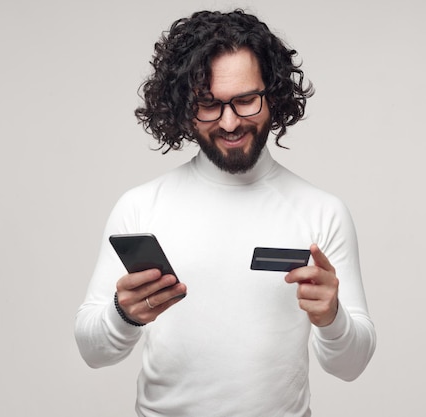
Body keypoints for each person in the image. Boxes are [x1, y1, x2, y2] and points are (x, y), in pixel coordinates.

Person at [75, 9, 376, 417]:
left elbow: (350, 366)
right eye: (208, 105)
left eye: (246, 100)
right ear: (184, 107)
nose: (230, 122)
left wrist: (332, 318)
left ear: (274, 96)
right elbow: (94, 352)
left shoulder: (322, 212)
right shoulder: (141, 206)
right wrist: (122, 314)